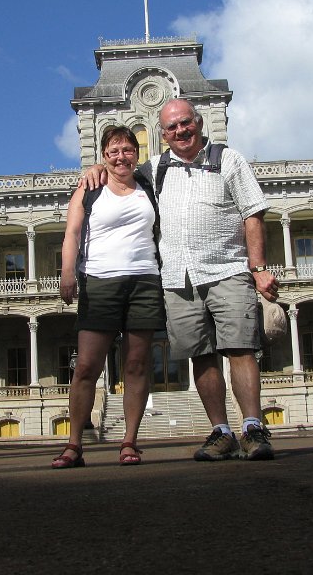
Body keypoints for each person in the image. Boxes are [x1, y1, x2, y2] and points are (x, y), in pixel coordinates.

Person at [84, 98, 279, 461]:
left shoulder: (228, 159)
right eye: (171, 127)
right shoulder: (153, 168)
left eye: (185, 123)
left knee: (240, 347)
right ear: (162, 133)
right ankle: (221, 432)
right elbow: (119, 170)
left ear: (198, 122)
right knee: (201, 356)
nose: (180, 131)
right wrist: (97, 166)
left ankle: (253, 426)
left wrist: (258, 267)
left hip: (228, 269)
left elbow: (253, 214)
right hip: (177, 277)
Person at [52, 126, 165, 468]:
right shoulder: (90, 188)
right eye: (114, 151)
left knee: (136, 364)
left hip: (144, 279)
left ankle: (129, 441)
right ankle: (74, 444)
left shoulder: (148, 186)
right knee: (87, 365)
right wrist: (68, 273)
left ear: (137, 153)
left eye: (128, 150)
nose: (121, 156)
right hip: (100, 281)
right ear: (104, 156)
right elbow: (71, 233)